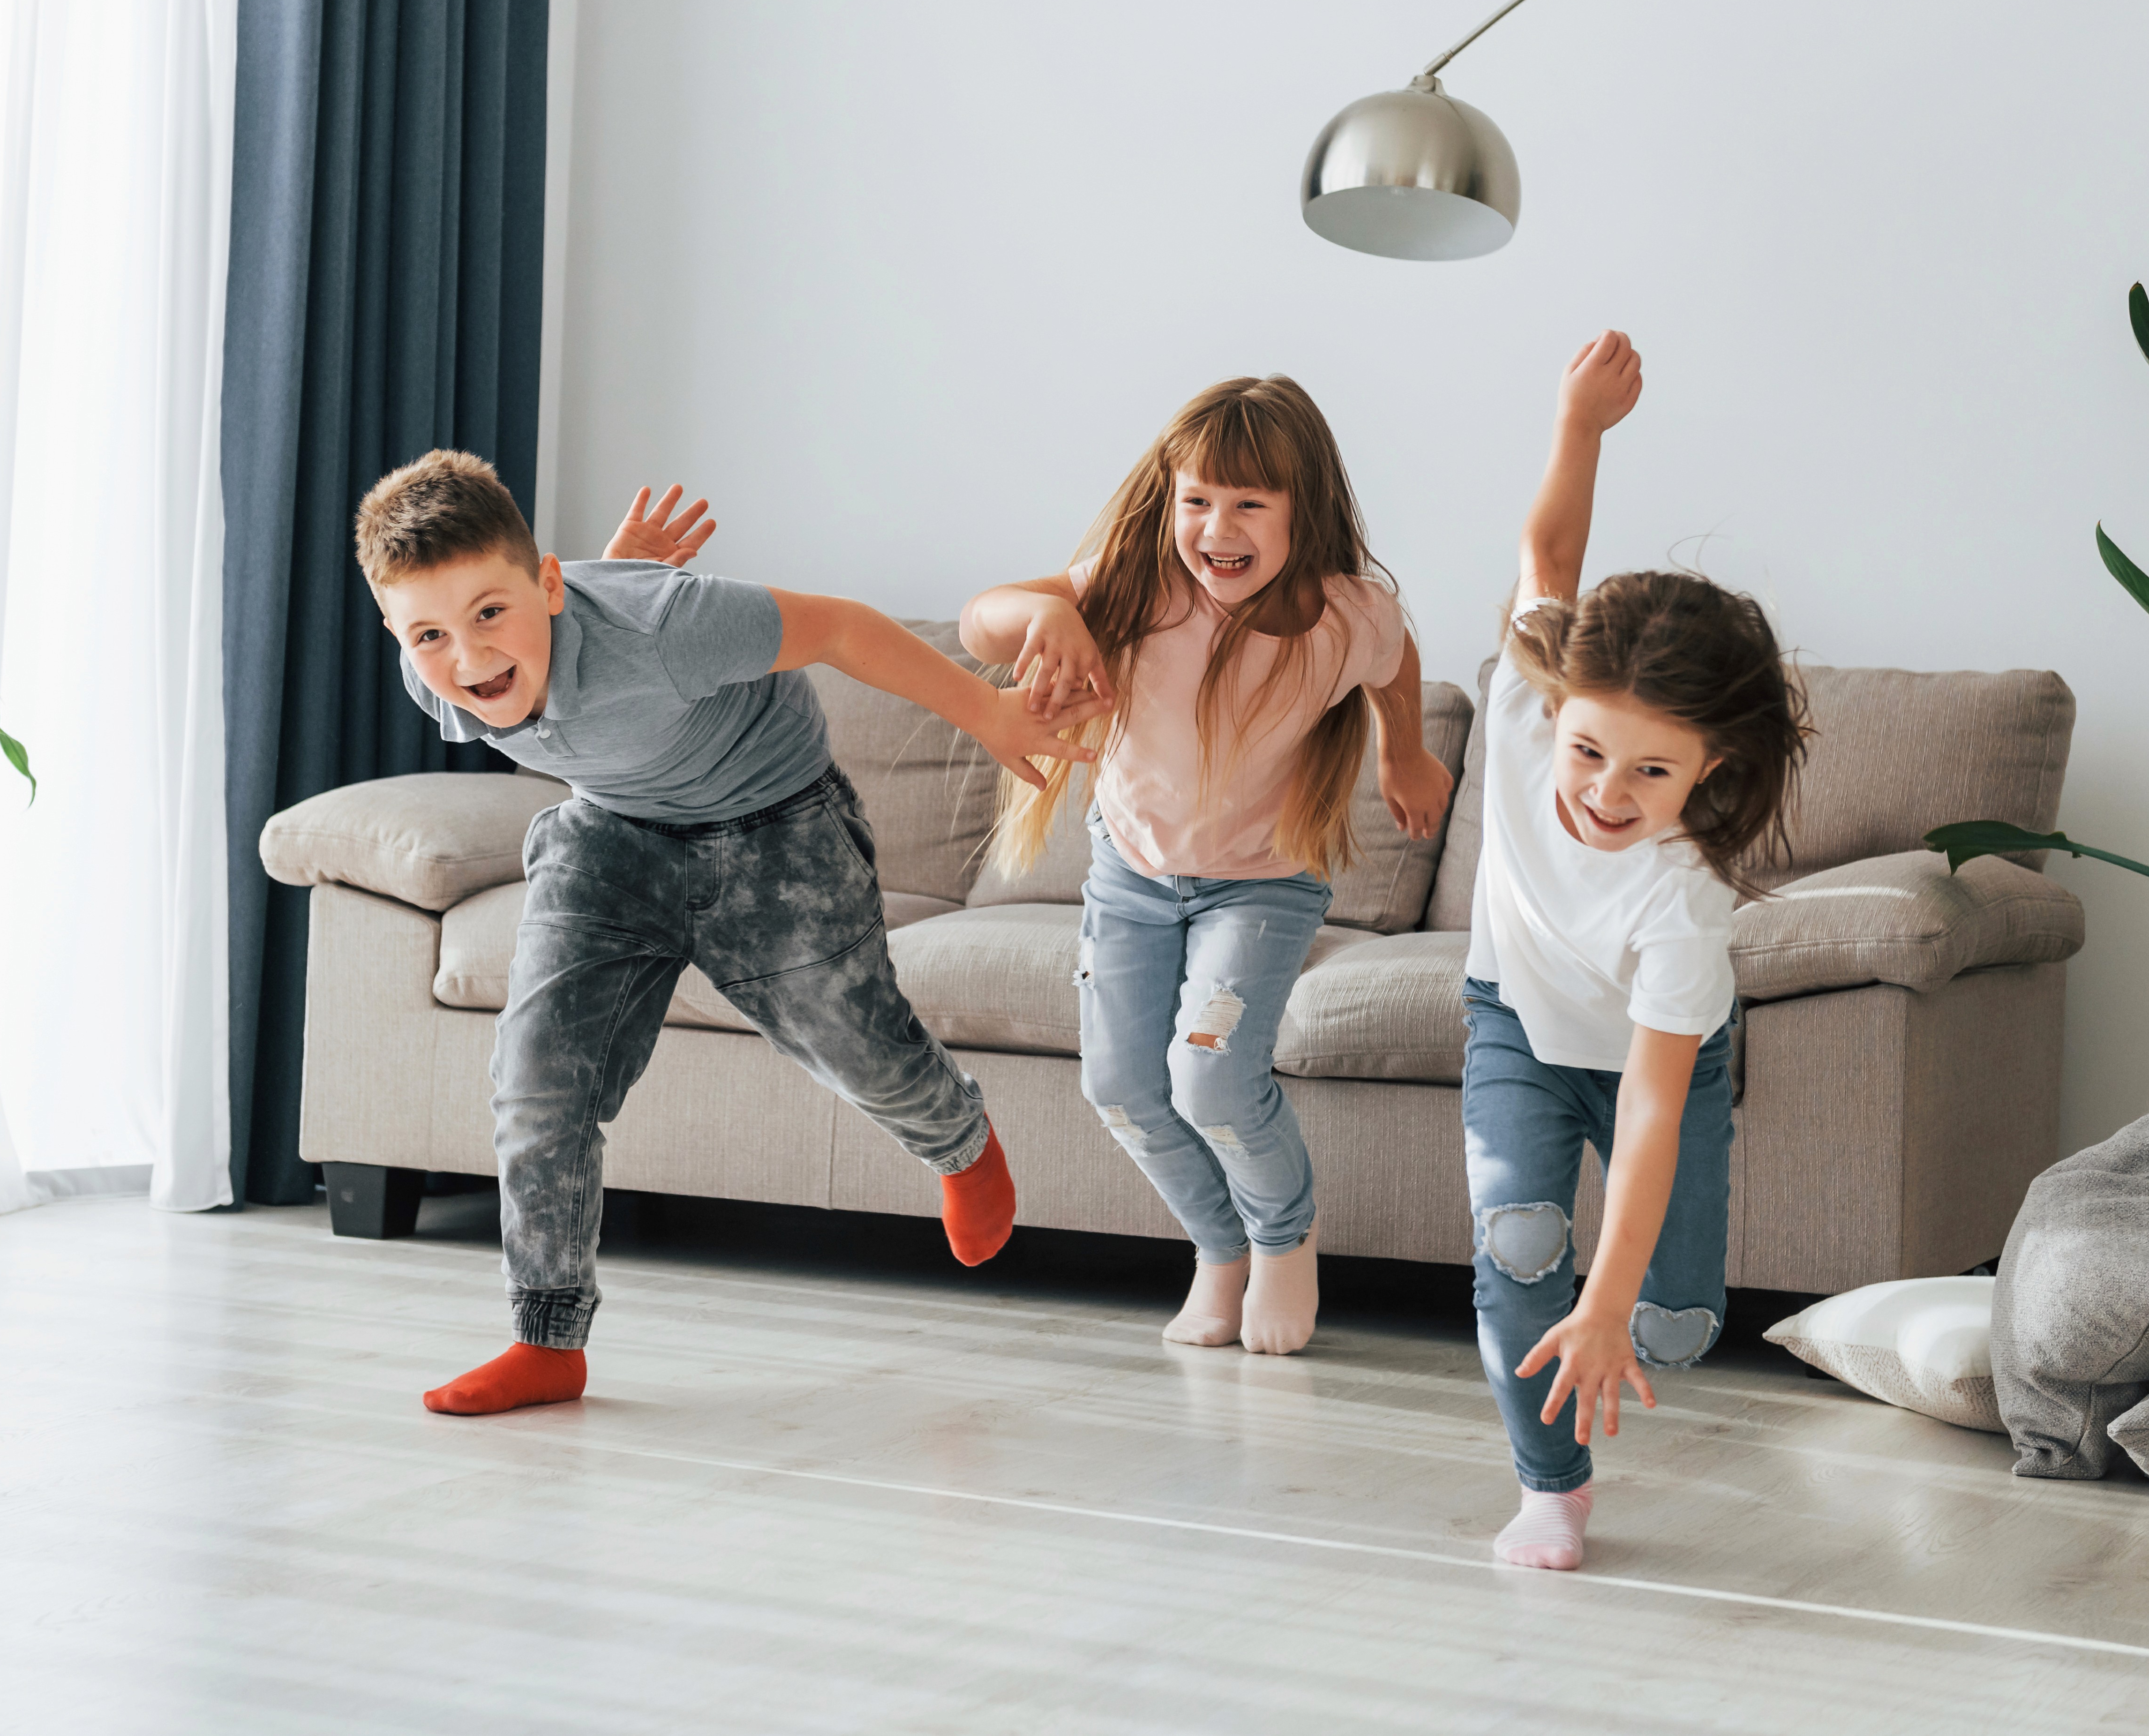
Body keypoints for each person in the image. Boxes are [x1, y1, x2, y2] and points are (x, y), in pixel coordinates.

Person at [359, 452, 1097, 1416]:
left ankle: (960, 1140)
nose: (469, 660)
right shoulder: (444, 678)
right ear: (398, 635)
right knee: (537, 1081)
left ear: (545, 586)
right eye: (428, 636)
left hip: (776, 827)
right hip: (614, 835)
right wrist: (592, 589)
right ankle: (546, 1339)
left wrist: (989, 710)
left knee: (858, 1048)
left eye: (492, 614)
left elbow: (836, 627)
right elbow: (561, 659)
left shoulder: (671, 628)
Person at [961, 377, 1450, 1356]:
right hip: (1131, 877)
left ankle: (1284, 1242)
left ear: (1302, 511)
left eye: (1249, 504)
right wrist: (1042, 617)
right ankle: (1219, 1252)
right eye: (1197, 500)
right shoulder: (1137, 586)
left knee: (1212, 1082)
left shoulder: (1346, 617)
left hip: (1262, 888)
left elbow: (1396, 663)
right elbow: (981, 621)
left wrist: (1403, 749)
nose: (1216, 528)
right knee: (1119, 1087)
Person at [1465, 331, 1811, 1569]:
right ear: (1556, 708)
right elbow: (1547, 554)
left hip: (1652, 1061)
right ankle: (1548, 1488)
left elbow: (1655, 1111)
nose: (1604, 791)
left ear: (1709, 770)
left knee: (1666, 1323)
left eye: (1651, 771)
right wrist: (1579, 424)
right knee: (1515, 1246)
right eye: (1587, 751)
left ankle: (1646, 1305)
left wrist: (1610, 1301)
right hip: (1512, 1020)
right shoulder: (1522, 701)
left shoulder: (1683, 900)